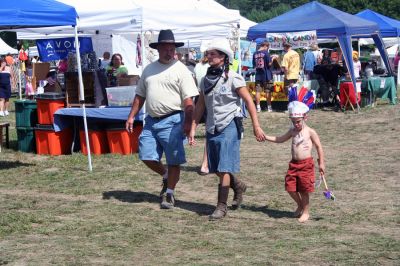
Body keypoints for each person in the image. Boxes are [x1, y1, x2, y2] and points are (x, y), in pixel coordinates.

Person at [189, 38, 267, 220]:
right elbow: (200, 105)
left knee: (224, 167)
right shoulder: (205, 80)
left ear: (223, 57)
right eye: (208, 54)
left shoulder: (234, 78)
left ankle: (221, 206)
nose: (209, 57)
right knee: (216, 168)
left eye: (213, 54)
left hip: (230, 124)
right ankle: (238, 185)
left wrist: (256, 125)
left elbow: (248, 101)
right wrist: (193, 127)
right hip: (212, 126)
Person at [125, 29, 199, 209]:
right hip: (151, 121)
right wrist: (131, 116)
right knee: (145, 155)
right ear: (158, 49)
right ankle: (166, 175)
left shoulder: (181, 70)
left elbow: (189, 101)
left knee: (174, 159)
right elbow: (139, 95)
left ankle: (170, 194)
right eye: (165, 48)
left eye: (171, 48)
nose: (169, 51)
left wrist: (188, 123)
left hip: (174, 120)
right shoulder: (149, 69)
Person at [264, 101, 325, 223]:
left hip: (306, 164)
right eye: (293, 122)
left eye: (298, 121)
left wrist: (321, 163)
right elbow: (280, 139)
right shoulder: (292, 131)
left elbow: (319, 147)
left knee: (304, 190)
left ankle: (306, 212)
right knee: (290, 188)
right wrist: (265, 137)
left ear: (304, 118)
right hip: (294, 164)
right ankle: (300, 205)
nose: (296, 124)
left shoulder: (310, 132)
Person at [193, 53, 210, 175]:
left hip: (199, 95)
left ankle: (206, 163)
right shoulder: (211, 66)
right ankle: (205, 163)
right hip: (209, 98)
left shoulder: (197, 66)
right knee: (210, 132)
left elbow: (194, 83)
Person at [252, 41, 272, 112]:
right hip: (267, 75)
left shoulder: (254, 53)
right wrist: (273, 59)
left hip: (258, 75)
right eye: (267, 47)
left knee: (258, 91)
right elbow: (269, 64)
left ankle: (258, 107)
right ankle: (269, 107)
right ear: (265, 46)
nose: (267, 49)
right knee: (268, 91)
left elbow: (254, 66)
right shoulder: (266, 53)